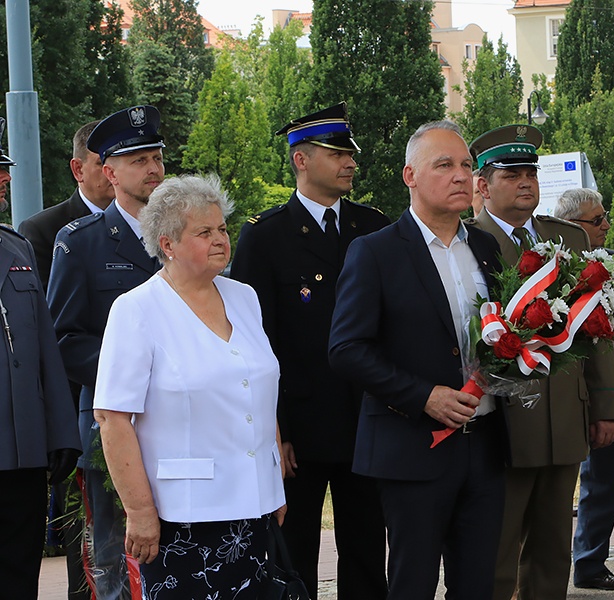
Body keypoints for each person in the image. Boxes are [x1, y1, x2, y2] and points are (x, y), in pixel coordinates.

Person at [329, 120, 505, 600]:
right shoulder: (375, 252)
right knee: (413, 583)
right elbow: (345, 348)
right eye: (444, 165)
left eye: (467, 166)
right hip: (413, 448)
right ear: (409, 175)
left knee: (477, 585)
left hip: (486, 446)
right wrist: (422, 396)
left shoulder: (486, 249)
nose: (461, 176)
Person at [92, 174, 286, 597]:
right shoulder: (136, 309)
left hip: (255, 508)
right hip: (183, 518)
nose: (220, 239)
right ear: (168, 245)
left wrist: (272, 481)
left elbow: (258, 388)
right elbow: (112, 418)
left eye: (221, 229)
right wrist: (140, 512)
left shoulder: (243, 297)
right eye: (204, 232)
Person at [230, 102, 389, 599]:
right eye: (337, 152)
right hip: (298, 428)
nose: (350, 163)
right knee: (292, 552)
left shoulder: (374, 227)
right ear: (301, 160)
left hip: (367, 418)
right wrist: (274, 431)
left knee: (366, 550)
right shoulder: (264, 236)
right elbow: (256, 343)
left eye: (350, 153)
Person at [467, 127, 614, 600]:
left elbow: (596, 325)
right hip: (505, 418)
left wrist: (607, 403)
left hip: (565, 410)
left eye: (531, 173)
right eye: (510, 174)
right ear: (482, 184)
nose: (525, 183)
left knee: (554, 541)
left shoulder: (568, 238)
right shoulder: (468, 240)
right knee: (498, 541)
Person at [47, 105, 165, 600]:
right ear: (109, 172)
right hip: (112, 429)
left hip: (183, 430)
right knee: (116, 566)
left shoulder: (185, 238)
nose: (154, 168)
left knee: (180, 561)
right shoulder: (82, 243)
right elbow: (65, 340)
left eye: (157, 156)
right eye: (138, 159)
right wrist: (146, 371)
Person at [0, 117, 81, 600]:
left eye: (4, 171)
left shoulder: (17, 246)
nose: (6, 178)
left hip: (22, 456)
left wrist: (59, 432)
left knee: (18, 572)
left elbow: (46, 352)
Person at [554, 188, 614, 591]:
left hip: (609, 386)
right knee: (553, 489)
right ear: (570, 226)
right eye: (596, 220)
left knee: (605, 477)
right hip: (560, 389)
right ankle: (541, 572)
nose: (606, 226)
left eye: (605, 217)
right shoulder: (545, 267)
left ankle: (590, 562)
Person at [19, 119, 114, 290]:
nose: (113, 172)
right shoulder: (43, 230)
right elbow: (45, 307)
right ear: (78, 169)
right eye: (102, 163)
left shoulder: (146, 220)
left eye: (119, 162)